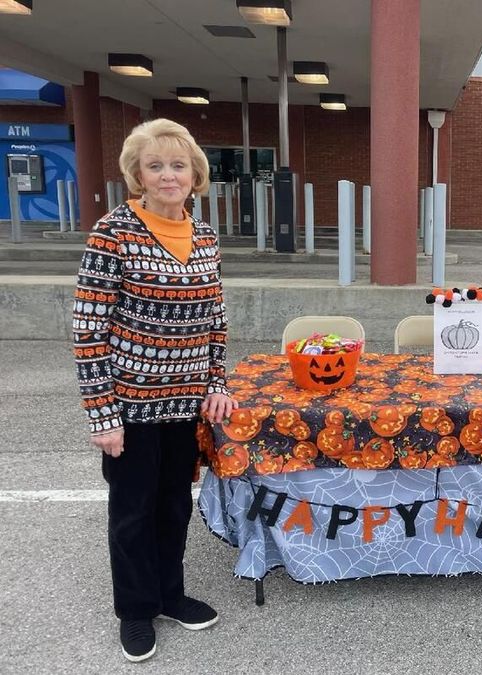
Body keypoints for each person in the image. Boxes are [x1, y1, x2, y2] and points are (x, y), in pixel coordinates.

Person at [72, 118, 237, 662]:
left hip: (186, 404)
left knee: (173, 506)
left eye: (178, 165)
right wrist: (103, 413)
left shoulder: (205, 235)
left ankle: (170, 594)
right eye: (156, 166)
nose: (169, 175)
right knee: (133, 511)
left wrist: (216, 383)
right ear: (137, 176)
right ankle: (136, 610)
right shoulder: (113, 232)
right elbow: (89, 326)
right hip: (131, 406)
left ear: (195, 175)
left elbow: (215, 317)